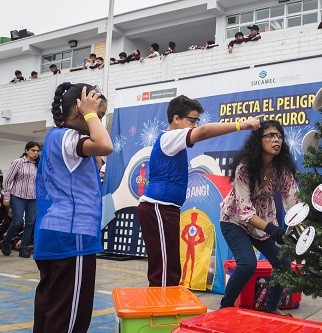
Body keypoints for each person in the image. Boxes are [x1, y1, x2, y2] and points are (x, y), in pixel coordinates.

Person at [136, 95, 261, 287]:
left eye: (196, 121)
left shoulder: (173, 142)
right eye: (191, 121)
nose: (195, 126)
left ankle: (166, 307)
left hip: (165, 210)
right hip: (157, 207)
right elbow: (203, 132)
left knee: (170, 268)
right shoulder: (170, 137)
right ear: (176, 119)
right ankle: (161, 310)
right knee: (164, 269)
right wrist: (240, 125)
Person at [33, 82, 112, 333]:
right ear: (80, 111)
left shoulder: (60, 138)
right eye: (98, 116)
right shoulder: (69, 137)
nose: (99, 123)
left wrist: (90, 118)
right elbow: (106, 147)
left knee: (51, 306)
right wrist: (90, 115)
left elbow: (98, 156)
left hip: (55, 231)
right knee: (70, 315)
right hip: (72, 235)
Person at [219, 120, 299, 316]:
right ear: (258, 141)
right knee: (247, 264)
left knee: (284, 265)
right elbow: (245, 211)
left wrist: (300, 229)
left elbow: (293, 203)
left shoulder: (282, 170)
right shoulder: (244, 169)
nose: (276, 140)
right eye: (270, 136)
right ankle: (225, 308)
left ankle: (271, 308)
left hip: (263, 221)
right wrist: (273, 230)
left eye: (279, 136)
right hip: (234, 220)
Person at [1, 141, 40, 258]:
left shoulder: (38, 164)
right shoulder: (18, 162)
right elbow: (8, 180)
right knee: (17, 221)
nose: (36, 153)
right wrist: (6, 197)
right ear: (27, 150)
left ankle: (23, 248)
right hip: (18, 196)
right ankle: (6, 243)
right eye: (33, 150)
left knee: (30, 223)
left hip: (33, 198)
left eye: (37, 151)